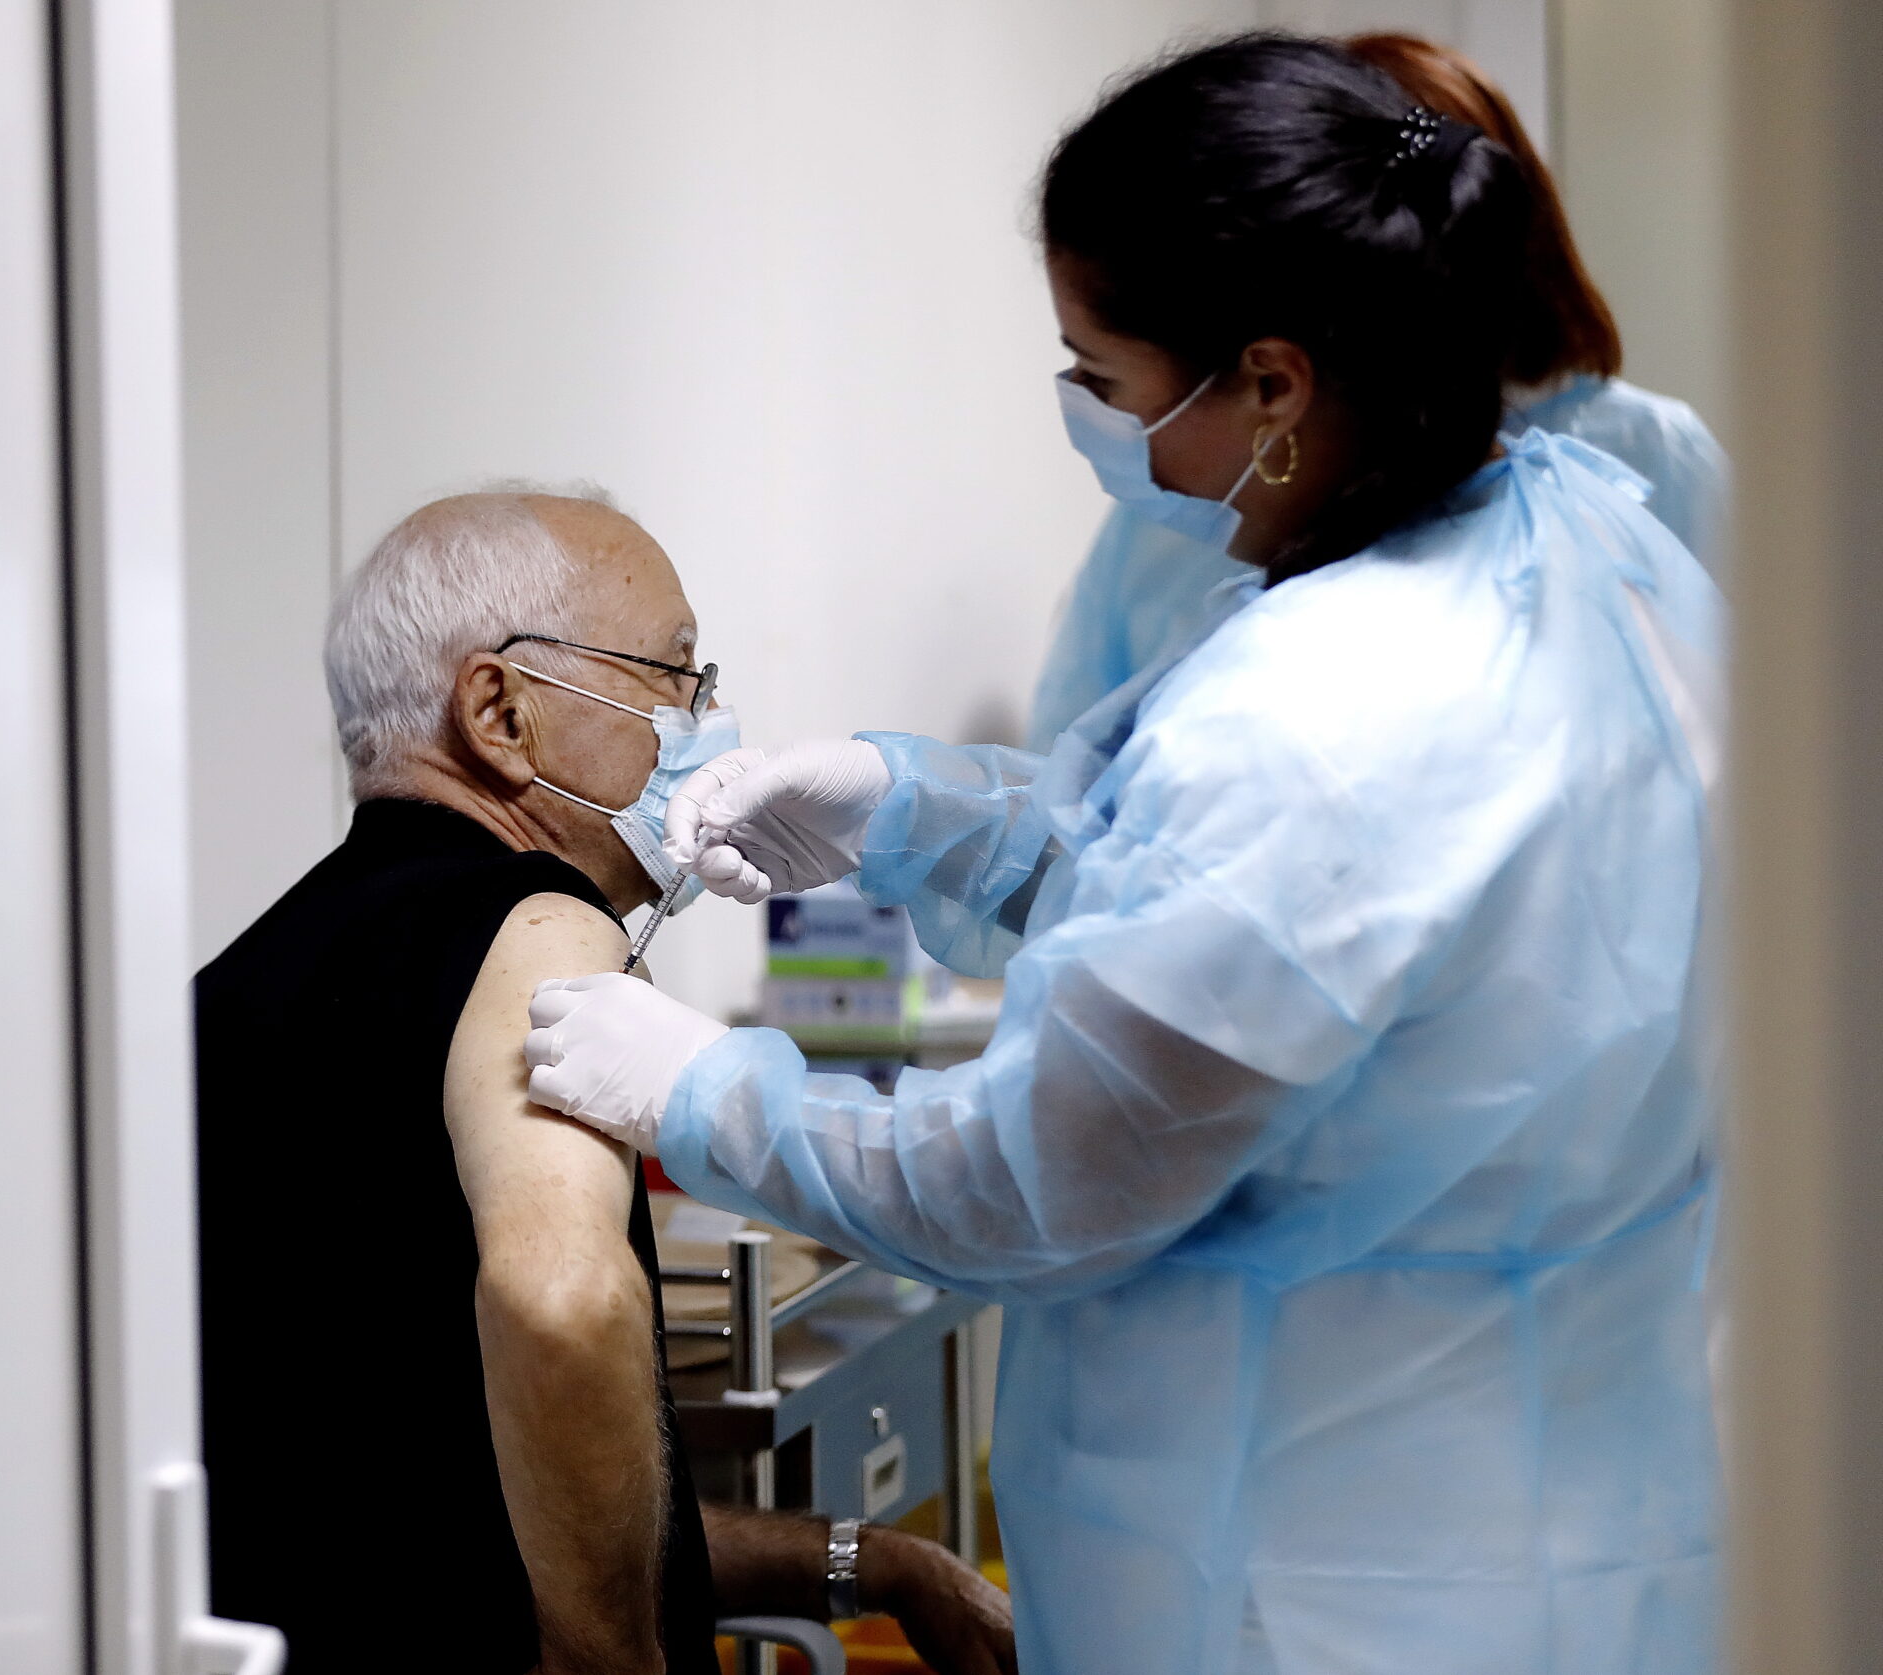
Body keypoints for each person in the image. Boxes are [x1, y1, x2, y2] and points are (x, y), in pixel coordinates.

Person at [521, 36, 1720, 1675]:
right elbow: (1226, 898)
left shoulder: (1320, 717)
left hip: (1319, 1583)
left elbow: (1030, 1185)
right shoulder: (1596, 551)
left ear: (1275, 384)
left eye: (1108, 376)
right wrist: (911, 806)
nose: (1104, 427)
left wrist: (702, 1092)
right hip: (1580, 1519)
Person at [195, 489, 1013, 1674]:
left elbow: (477, 1508)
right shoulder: (540, 926)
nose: (709, 719)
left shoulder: (247, 976)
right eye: (676, 673)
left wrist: (868, 1562)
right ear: (502, 713)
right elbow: (563, 1306)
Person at [1024, 29, 1730, 753]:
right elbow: (1068, 758)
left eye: (1102, 376)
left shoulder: (1268, 707)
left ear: (1275, 384)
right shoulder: (1191, 500)